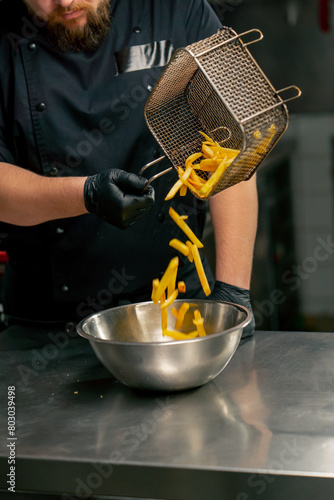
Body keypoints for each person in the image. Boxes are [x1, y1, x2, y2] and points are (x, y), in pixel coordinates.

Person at [0, 0, 257, 337]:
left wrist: (234, 292)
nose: (64, 2)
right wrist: (86, 195)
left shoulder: (176, 10)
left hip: (177, 303)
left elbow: (228, 149)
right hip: (46, 324)